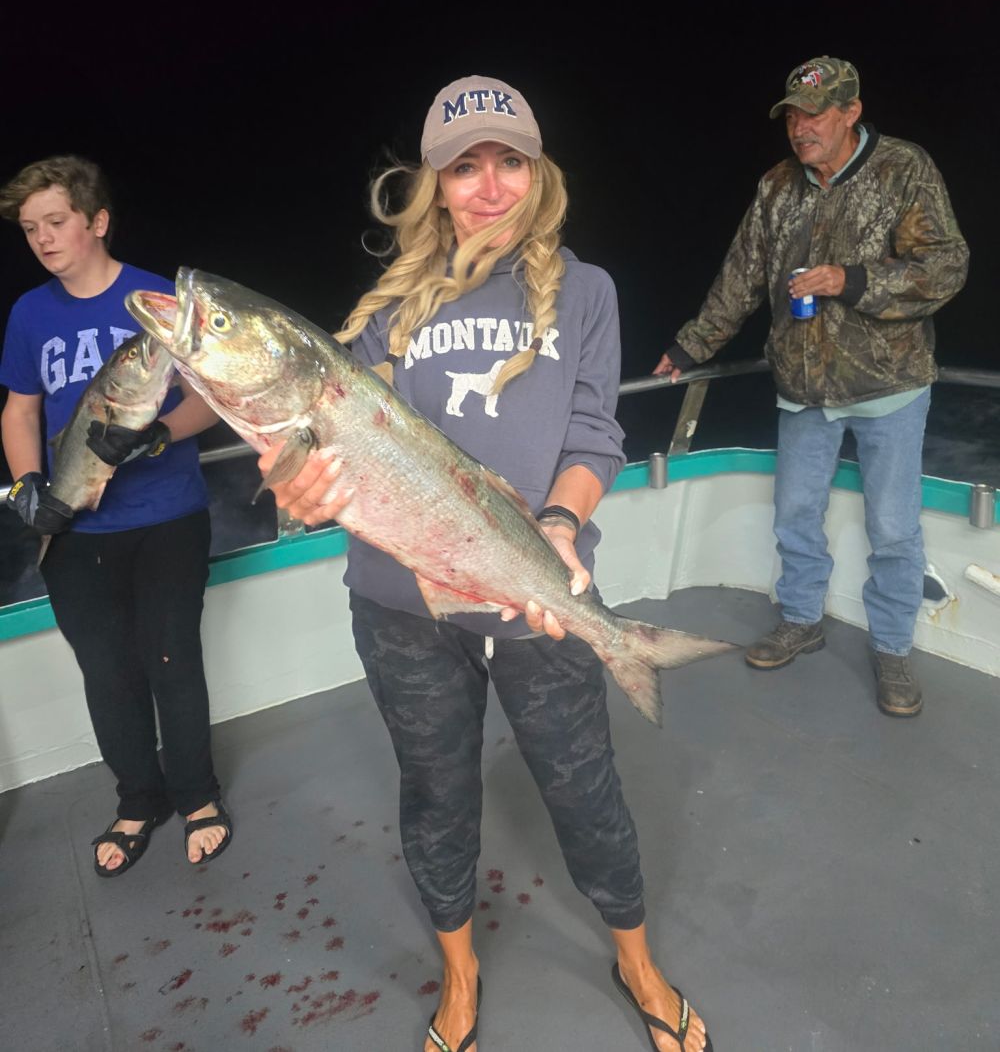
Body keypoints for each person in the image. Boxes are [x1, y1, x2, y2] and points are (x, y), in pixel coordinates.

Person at [259, 77, 713, 1052]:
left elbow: (594, 435)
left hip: (540, 595)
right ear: (436, 184)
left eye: (509, 160)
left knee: (585, 789)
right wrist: (302, 477)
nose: (490, 186)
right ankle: (460, 975)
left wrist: (556, 526)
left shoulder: (586, 292)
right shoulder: (388, 310)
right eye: (465, 167)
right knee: (435, 793)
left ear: (538, 171)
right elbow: (335, 436)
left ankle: (634, 958)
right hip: (401, 606)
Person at [653, 56, 969, 718]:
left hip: (891, 386)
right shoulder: (777, 186)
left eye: (815, 114)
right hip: (803, 389)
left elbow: (945, 266)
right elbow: (740, 276)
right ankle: (800, 618)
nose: (801, 128)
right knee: (795, 515)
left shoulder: (903, 169)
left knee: (892, 529)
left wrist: (848, 280)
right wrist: (689, 346)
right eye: (792, 115)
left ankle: (891, 647)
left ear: (851, 112)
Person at [0, 155, 233, 875]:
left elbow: (214, 392)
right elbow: (21, 409)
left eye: (57, 221)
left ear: (97, 221)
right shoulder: (30, 314)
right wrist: (31, 484)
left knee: (171, 658)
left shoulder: (156, 300)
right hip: (77, 526)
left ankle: (197, 794)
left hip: (167, 513)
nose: (42, 237)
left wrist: (163, 431)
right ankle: (138, 798)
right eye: (30, 227)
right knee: (106, 670)